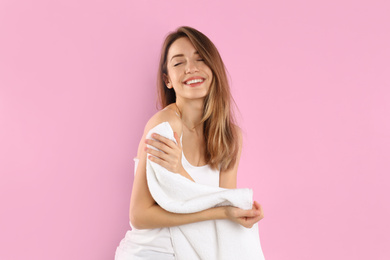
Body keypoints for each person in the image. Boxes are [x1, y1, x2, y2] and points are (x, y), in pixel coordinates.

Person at [115, 26, 264, 260]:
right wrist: (222, 211)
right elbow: (140, 215)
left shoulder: (230, 136)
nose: (191, 69)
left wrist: (238, 214)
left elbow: (221, 209)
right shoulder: (164, 126)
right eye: (178, 63)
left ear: (213, 68)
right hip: (154, 251)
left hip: (197, 252)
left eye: (200, 59)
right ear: (168, 80)